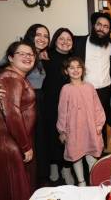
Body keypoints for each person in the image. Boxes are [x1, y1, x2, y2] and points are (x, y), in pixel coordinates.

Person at [0, 24, 50, 186]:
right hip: (17, 104)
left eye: (46, 36)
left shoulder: (41, 56)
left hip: (34, 103)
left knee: (37, 147)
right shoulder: (17, 57)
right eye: (38, 34)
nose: (42, 38)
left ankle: (36, 184)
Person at [0, 40, 38, 200]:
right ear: (10, 58)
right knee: (13, 190)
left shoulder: (15, 76)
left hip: (8, 142)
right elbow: (12, 114)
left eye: (31, 54)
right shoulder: (10, 77)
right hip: (5, 144)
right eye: (22, 53)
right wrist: (25, 146)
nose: (28, 57)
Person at [57, 57, 105, 186]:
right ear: (66, 71)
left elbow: (97, 107)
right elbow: (62, 112)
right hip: (74, 130)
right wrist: (62, 131)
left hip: (90, 128)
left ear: (82, 70)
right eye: (71, 68)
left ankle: (93, 181)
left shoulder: (89, 87)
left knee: (91, 157)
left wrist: (99, 124)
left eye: (78, 67)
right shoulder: (65, 89)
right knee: (76, 156)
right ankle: (81, 182)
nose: (75, 70)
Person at [73, 12, 111, 147]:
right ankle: (84, 153)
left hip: (104, 91)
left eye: (105, 26)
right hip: (83, 90)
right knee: (82, 124)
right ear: (93, 25)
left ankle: (100, 153)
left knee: (101, 123)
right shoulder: (78, 42)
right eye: (99, 24)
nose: (101, 28)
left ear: (109, 30)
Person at [42, 28, 75, 184]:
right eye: (61, 38)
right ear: (55, 40)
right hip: (49, 103)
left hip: (69, 105)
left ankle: (66, 168)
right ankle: (54, 165)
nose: (65, 42)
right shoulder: (45, 57)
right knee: (51, 136)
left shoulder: (74, 59)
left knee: (68, 137)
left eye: (69, 39)